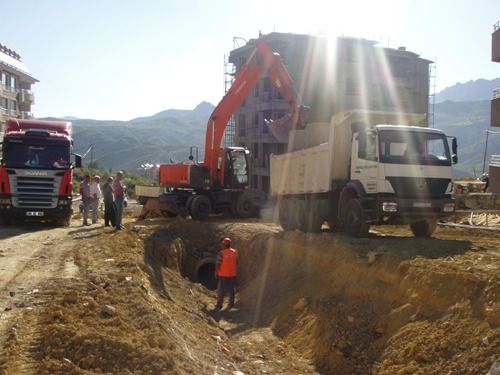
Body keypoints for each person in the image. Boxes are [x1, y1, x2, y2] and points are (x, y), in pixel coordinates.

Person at [214, 237, 239, 310]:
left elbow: (218, 263)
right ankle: (231, 304)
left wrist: (216, 272)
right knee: (231, 289)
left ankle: (219, 305)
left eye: (223, 244)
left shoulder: (222, 253)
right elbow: (237, 262)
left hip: (223, 274)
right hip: (232, 274)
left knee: (221, 290)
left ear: (224, 245)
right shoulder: (235, 252)